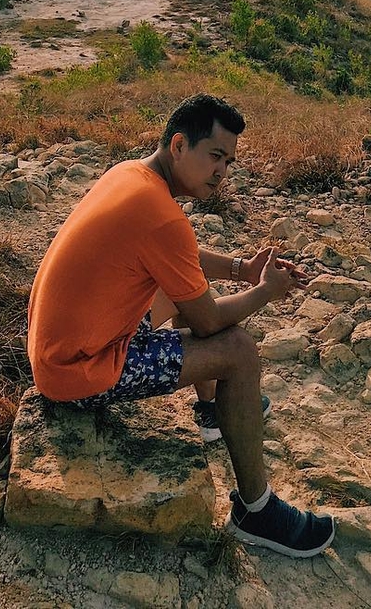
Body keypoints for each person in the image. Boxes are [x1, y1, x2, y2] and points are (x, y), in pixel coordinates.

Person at [27, 93, 335, 558]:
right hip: (78, 372)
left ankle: (214, 414)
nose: (222, 172)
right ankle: (257, 510)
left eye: (228, 161)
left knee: (178, 290)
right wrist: (266, 292)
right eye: (215, 156)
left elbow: (177, 258)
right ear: (178, 145)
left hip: (55, 349)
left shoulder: (130, 175)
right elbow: (209, 321)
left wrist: (242, 269)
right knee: (238, 350)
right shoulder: (161, 216)